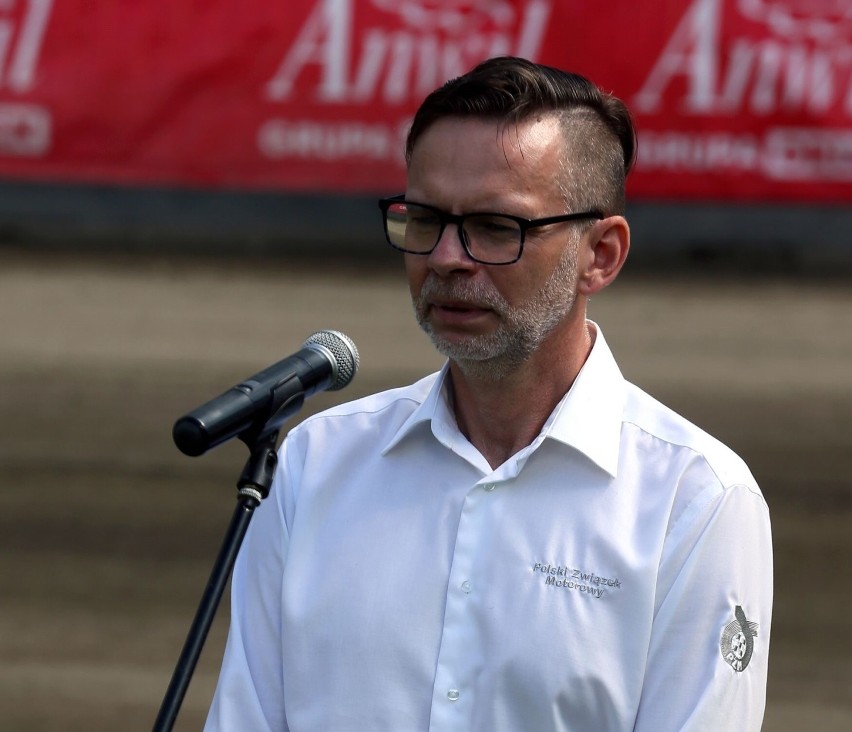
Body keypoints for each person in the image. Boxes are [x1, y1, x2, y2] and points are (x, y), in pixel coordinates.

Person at [204, 56, 772, 731]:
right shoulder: (311, 463)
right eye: (424, 220)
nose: (447, 257)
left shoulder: (697, 498)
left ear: (602, 255)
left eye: (497, 228)